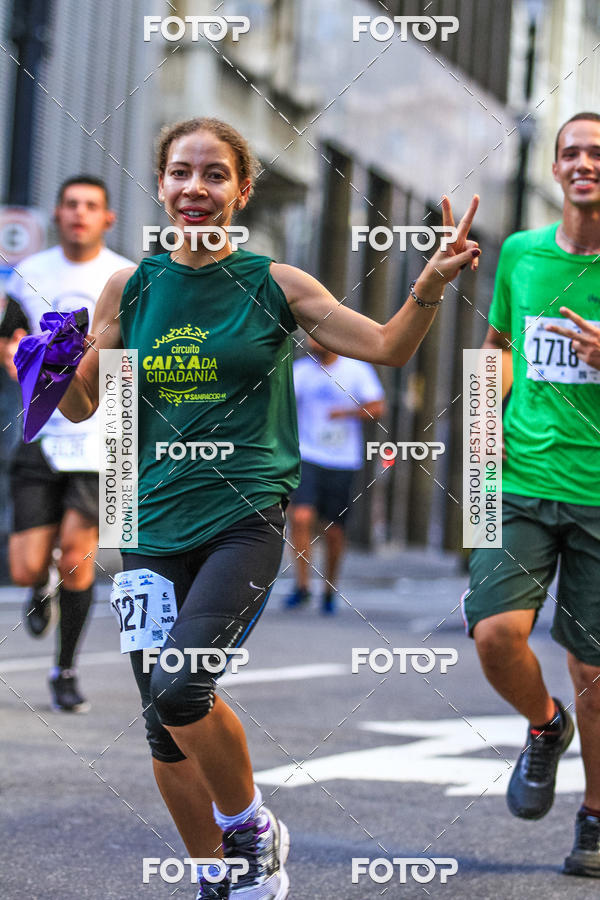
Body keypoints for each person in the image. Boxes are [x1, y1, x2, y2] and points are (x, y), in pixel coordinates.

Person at [57, 116, 480, 899]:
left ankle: (251, 826)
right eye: (181, 172)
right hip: (146, 521)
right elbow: (85, 407)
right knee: (162, 722)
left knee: (182, 687)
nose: (196, 188)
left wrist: (428, 286)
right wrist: (50, 368)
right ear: (160, 185)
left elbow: (387, 347)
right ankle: (218, 876)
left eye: (215, 175)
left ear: (241, 191)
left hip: (242, 516)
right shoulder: (131, 287)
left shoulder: (276, 285)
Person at [464, 112, 600, 878]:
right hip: (520, 480)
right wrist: (483, 438)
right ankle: (544, 727)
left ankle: (593, 821)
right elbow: (501, 349)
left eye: (598, 153)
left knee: (595, 672)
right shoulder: (520, 252)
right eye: (571, 152)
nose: (584, 163)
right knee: (493, 632)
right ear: (556, 169)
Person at [4, 176, 134, 712]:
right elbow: (8, 342)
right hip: (43, 434)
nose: (80, 213)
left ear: (107, 218)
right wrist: (29, 371)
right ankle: (41, 586)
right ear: (58, 214)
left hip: (101, 440)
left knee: (79, 555)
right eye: (71, 204)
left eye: (91, 206)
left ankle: (65, 669)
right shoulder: (29, 275)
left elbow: (131, 360)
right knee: (24, 566)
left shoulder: (125, 276)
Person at [284, 335, 385, 613]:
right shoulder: (301, 372)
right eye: (310, 342)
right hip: (307, 455)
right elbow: (282, 407)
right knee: (301, 517)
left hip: (341, 460)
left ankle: (329, 589)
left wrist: (347, 413)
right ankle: (302, 587)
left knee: (334, 531)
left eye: (318, 342)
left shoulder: (356, 370)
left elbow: (378, 406)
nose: (312, 346)